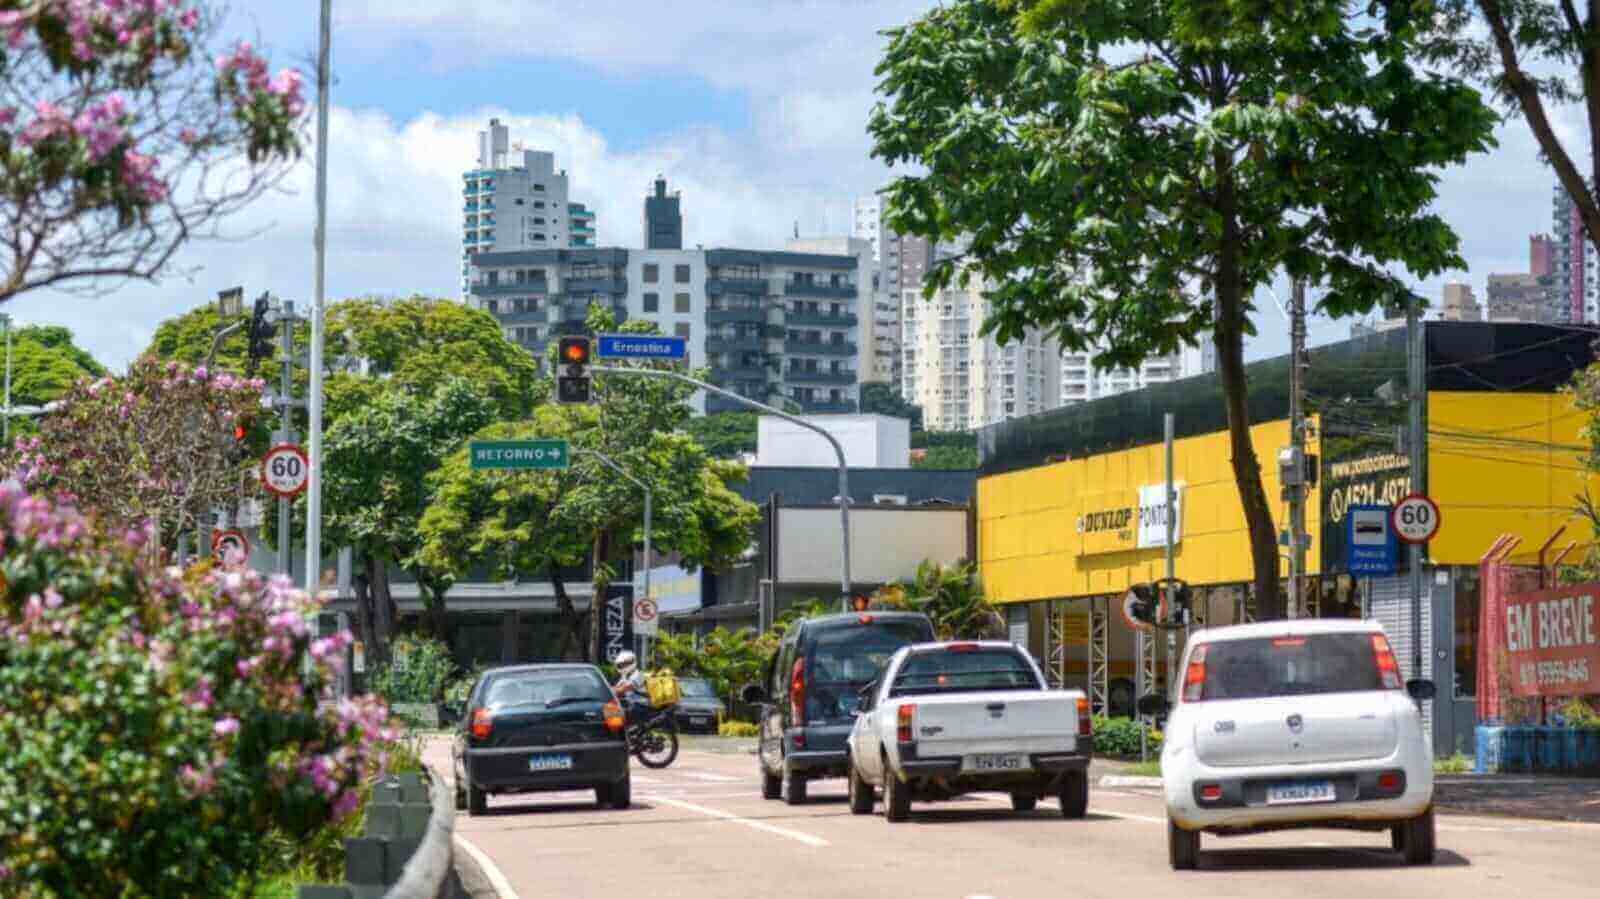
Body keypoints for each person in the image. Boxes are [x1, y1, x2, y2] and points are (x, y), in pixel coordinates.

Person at [613, 651, 649, 726]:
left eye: (624, 664)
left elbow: (624, 689)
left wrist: (609, 692)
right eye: (620, 665)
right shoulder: (625, 676)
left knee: (615, 716)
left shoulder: (638, 675)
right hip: (631, 703)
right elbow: (617, 687)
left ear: (631, 663)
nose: (622, 667)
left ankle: (621, 734)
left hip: (641, 705)